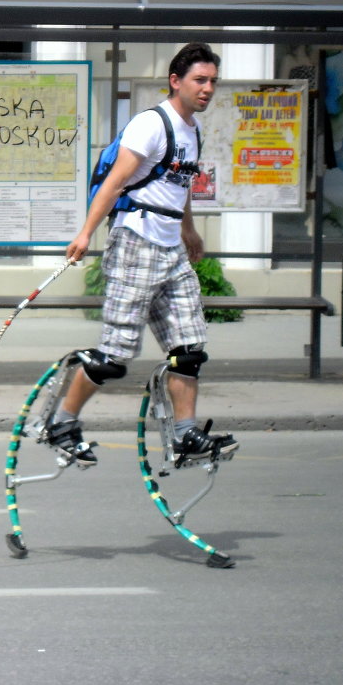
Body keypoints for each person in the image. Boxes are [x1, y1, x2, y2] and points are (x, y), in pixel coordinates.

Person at [51, 42, 238, 467]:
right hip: (136, 242)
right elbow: (115, 183)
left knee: (189, 349)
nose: (208, 88)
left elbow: (180, 184)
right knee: (115, 356)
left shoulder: (192, 130)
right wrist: (85, 234)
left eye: (213, 81)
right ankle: (62, 421)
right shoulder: (151, 125)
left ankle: (185, 434)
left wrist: (189, 229)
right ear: (176, 82)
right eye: (200, 80)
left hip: (171, 248)